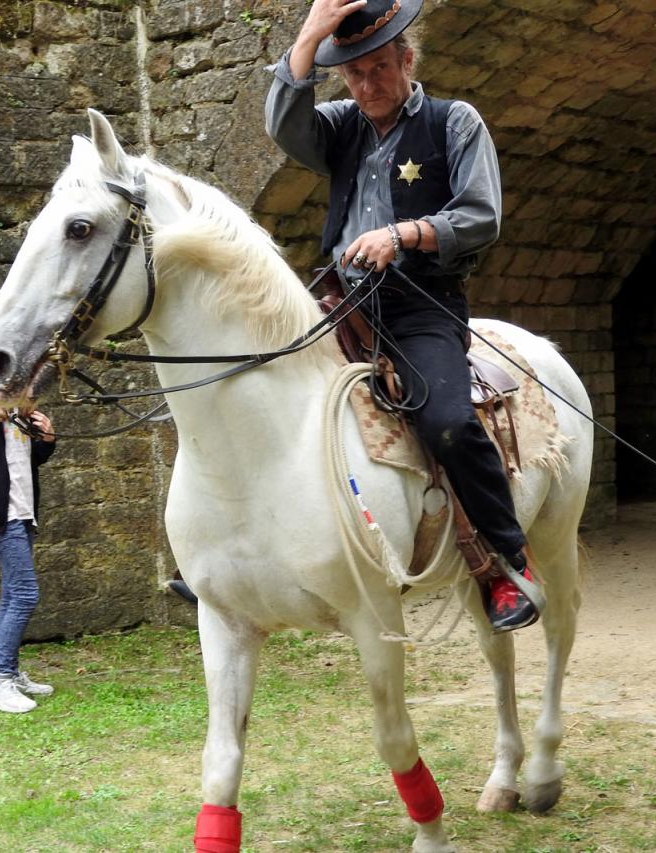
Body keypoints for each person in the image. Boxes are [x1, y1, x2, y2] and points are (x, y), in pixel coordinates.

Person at [265, 0, 539, 632]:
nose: (368, 85)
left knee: (447, 421)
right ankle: (248, 558)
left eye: (380, 68)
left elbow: (481, 215)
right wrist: (310, 33)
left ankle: (506, 562)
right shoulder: (338, 124)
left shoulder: (453, 122)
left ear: (407, 60)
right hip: (342, 300)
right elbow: (284, 126)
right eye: (355, 74)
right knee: (260, 386)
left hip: (422, 306)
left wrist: (405, 233)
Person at [0, 398, 58, 712]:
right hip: (4, 518)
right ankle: (0, 680)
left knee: (11, 595)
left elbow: (30, 462)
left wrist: (47, 436)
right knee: (25, 594)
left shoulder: (22, 414)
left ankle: (9, 674)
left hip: (25, 514)